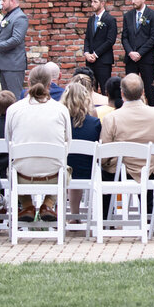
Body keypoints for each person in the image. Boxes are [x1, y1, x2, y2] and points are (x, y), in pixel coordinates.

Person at [98, 74, 154, 216]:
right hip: (151, 170)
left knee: (104, 172)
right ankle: (149, 215)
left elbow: (104, 154)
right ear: (143, 92)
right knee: (149, 167)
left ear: (122, 93)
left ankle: (107, 217)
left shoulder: (111, 118)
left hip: (120, 172)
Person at [5, 76, 71, 222]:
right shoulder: (61, 109)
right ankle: (48, 204)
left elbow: (8, 144)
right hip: (54, 177)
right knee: (65, 170)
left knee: (11, 169)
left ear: (28, 83)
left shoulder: (13, 109)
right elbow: (67, 144)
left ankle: (27, 206)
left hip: (22, 177)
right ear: (50, 85)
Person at [62, 82, 101, 221]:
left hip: (62, 172)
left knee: (70, 165)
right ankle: (75, 216)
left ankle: (73, 215)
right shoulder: (95, 123)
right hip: (88, 172)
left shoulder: (59, 123)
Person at [122, 0, 154, 105]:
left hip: (146, 58)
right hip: (131, 58)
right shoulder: (128, 16)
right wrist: (130, 52)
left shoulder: (152, 15)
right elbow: (124, 37)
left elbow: (153, 38)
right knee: (130, 89)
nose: (132, 1)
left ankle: (152, 110)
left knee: (150, 89)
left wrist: (140, 53)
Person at [0, 0, 29, 96]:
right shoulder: (9, 15)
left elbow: (16, 39)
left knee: (14, 96)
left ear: (12, 1)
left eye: (4, 0)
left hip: (13, 65)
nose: (1, 3)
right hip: (5, 64)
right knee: (6, 97)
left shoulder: (20, 17)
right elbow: (2, 37)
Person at [82, 0, 118, 90]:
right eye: (91, 1)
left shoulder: (110, 19)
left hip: (103, 61)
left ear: (102, 3)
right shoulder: (91, 20)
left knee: (105, 89)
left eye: (95, 2)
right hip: (90, 61)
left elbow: (110, 40)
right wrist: (86, 53)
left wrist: (95, 54)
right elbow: (87, 38)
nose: (92, 4)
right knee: (90, 89)